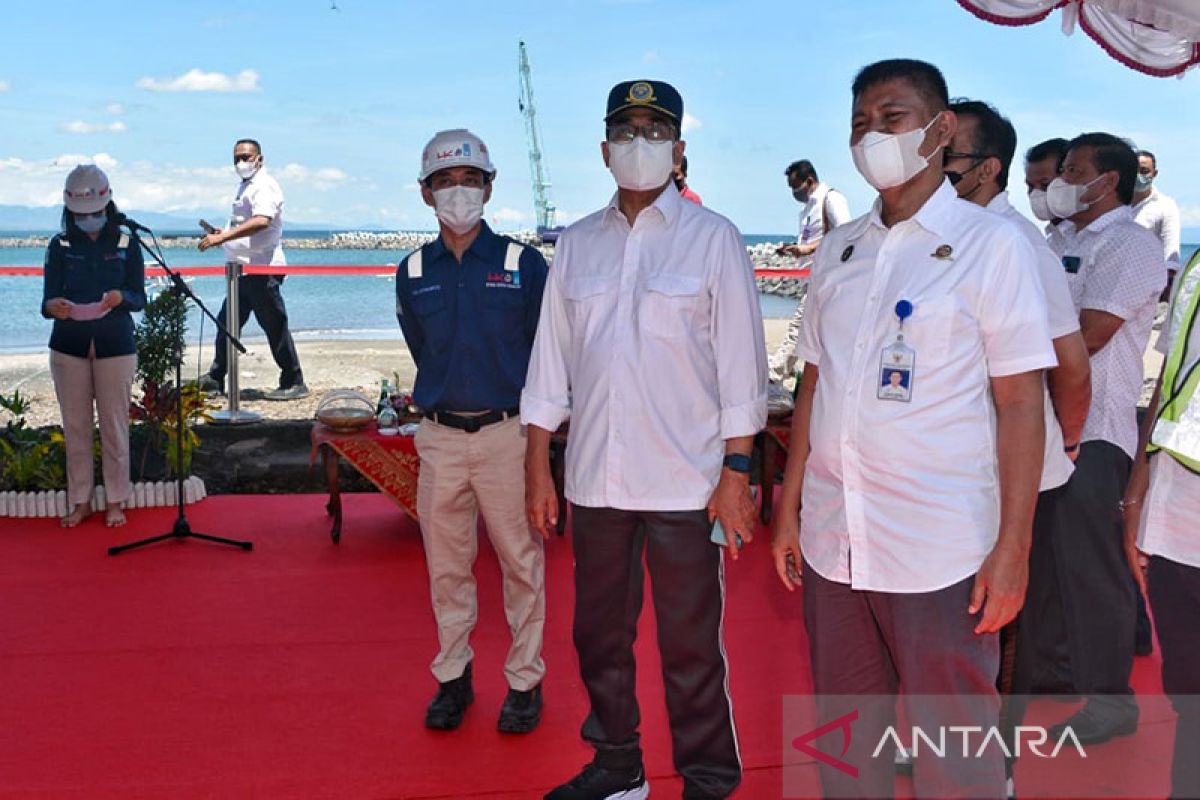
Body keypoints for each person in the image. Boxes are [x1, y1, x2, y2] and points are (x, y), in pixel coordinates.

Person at [770, 59, 1055, 798]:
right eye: (860, 123)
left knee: (954, 744)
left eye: (892, 118)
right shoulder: (840, 249)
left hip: (940, 548)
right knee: (847, 740)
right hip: (837, 540)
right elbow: (815, 383)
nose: (873, 136)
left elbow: (1023, 402)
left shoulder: (993, 245)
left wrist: (1014, 548)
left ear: (940, 128)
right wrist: (789, 507)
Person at [523, 79, 766, 800]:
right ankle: (618, 766)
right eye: (626, 132)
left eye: (654, 132)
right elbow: (548, 366)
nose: (639, 145)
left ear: (679, 148)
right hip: (596, 480)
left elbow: (742, 372)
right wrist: (538, 467)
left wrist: (737, 472)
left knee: (691, 647)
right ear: (604, 150)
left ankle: (710, 778)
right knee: (598, 640)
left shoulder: (714, 238)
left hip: (688, 484)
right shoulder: (576, 245)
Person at [945, 99, 1092, 789]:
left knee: (999, 631)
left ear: (985, 170)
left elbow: (1070, 363)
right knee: (944, 629)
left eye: (944, 156)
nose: (929, 166)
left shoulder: (1016, 244)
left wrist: (1060, 445)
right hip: (944, 473)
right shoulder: (931, 235)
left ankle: (992, 769)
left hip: (1005, 472)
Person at [395, 128, 550, 735]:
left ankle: (524, 683)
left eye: (469, 180)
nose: (457, 192)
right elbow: (422, 347)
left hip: (505, 438)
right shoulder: (411, 272)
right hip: (438, 438)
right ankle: (453, 679)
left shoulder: (522, 264)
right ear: (425, 193)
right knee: (446, 568)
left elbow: (546, 358)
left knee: (520, 563)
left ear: (488, 186)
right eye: (444, 181)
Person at [1039, 132, 1166, 744]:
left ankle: (1111, 702)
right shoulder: (1058, 239)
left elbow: (1088, 336)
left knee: (1091, 570)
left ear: (1107, 180)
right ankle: (1055, 672)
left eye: (1072, 169)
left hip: (1094, 431)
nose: (1061, 179)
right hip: (1040, 426)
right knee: (1046, 563)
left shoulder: (1130, 244)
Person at [1122, 247, 1200, 800]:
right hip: (1178, 511)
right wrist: (1138, 485)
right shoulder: (1198, 270)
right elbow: (1171, 378)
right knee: (1189, 689)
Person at [41, 165, 146, 528]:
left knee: (115, 427)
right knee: (76, 426)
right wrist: (54, 306)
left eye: (95, 213)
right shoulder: (59, 245)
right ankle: (80, 500)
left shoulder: (127, 242)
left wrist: (121, 298)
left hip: (115, 343)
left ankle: (116, 500)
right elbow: (47, 301)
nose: (88, 220)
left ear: (107, 204)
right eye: (80, 215)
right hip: (68, 345)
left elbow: (139, 297)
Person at [197, 138, 307, 401]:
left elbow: (261, 220)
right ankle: (216, 375)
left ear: (260, 159)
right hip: (242, 269)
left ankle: (293, 378)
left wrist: (222, 239)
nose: (241, 163)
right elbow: (244, 224)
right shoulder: (245, 187)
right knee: (227, 323)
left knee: (273, 324)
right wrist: (223, 234)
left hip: (262, 269)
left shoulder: (265, 186)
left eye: (246, 157)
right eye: (236, 158)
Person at [768, 159, 851, 385]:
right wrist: (794, 250)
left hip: (827, 278)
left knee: (798, 328)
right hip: (811, 278)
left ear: (809, 181)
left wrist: (808, 248)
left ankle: (774, 374)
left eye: (796, 187)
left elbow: (845, 235)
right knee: (815, 336)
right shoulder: (807, 209)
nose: (794, 193)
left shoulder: (831, 199)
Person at [1131, 149, 1181, 298]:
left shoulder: (1165, 205)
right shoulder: (1116, 204)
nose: (1139, 175)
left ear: (1154, 173)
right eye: (1134, 170)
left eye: (1144, 171)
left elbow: (1171, 256)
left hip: (1148, 289)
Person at [1023, 137, 1071, 253]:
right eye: (1030, 186)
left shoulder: (1098, 236)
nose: (1035, 194)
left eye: (1045, 185)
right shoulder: (1050, 240)